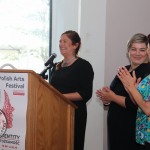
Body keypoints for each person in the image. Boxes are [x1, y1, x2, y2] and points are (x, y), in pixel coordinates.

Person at [96, 33, 150, 150]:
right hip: (115, 126)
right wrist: (106, 98)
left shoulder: (146, 73)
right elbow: (113, 93)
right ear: (128, 51)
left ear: (147, 52)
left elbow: (135, 104)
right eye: (133, 49)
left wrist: (113, 97)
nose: (137, 53)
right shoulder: (124, 69)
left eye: (142, 50)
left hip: (130, 127)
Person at [50, 30, 94, 150]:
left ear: (75, 45)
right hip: (55, 112)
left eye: (65, 41)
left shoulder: (84, 66)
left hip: (74, 114)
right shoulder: (56, 66)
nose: (61, 44)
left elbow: (85, 93)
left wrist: (60, 96)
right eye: (60, 41)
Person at [117, 46, 150, 150]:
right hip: (143, 135)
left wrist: (131, 88)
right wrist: (131, 90)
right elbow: (139, 103)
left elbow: (148, 109)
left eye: (145, 49)